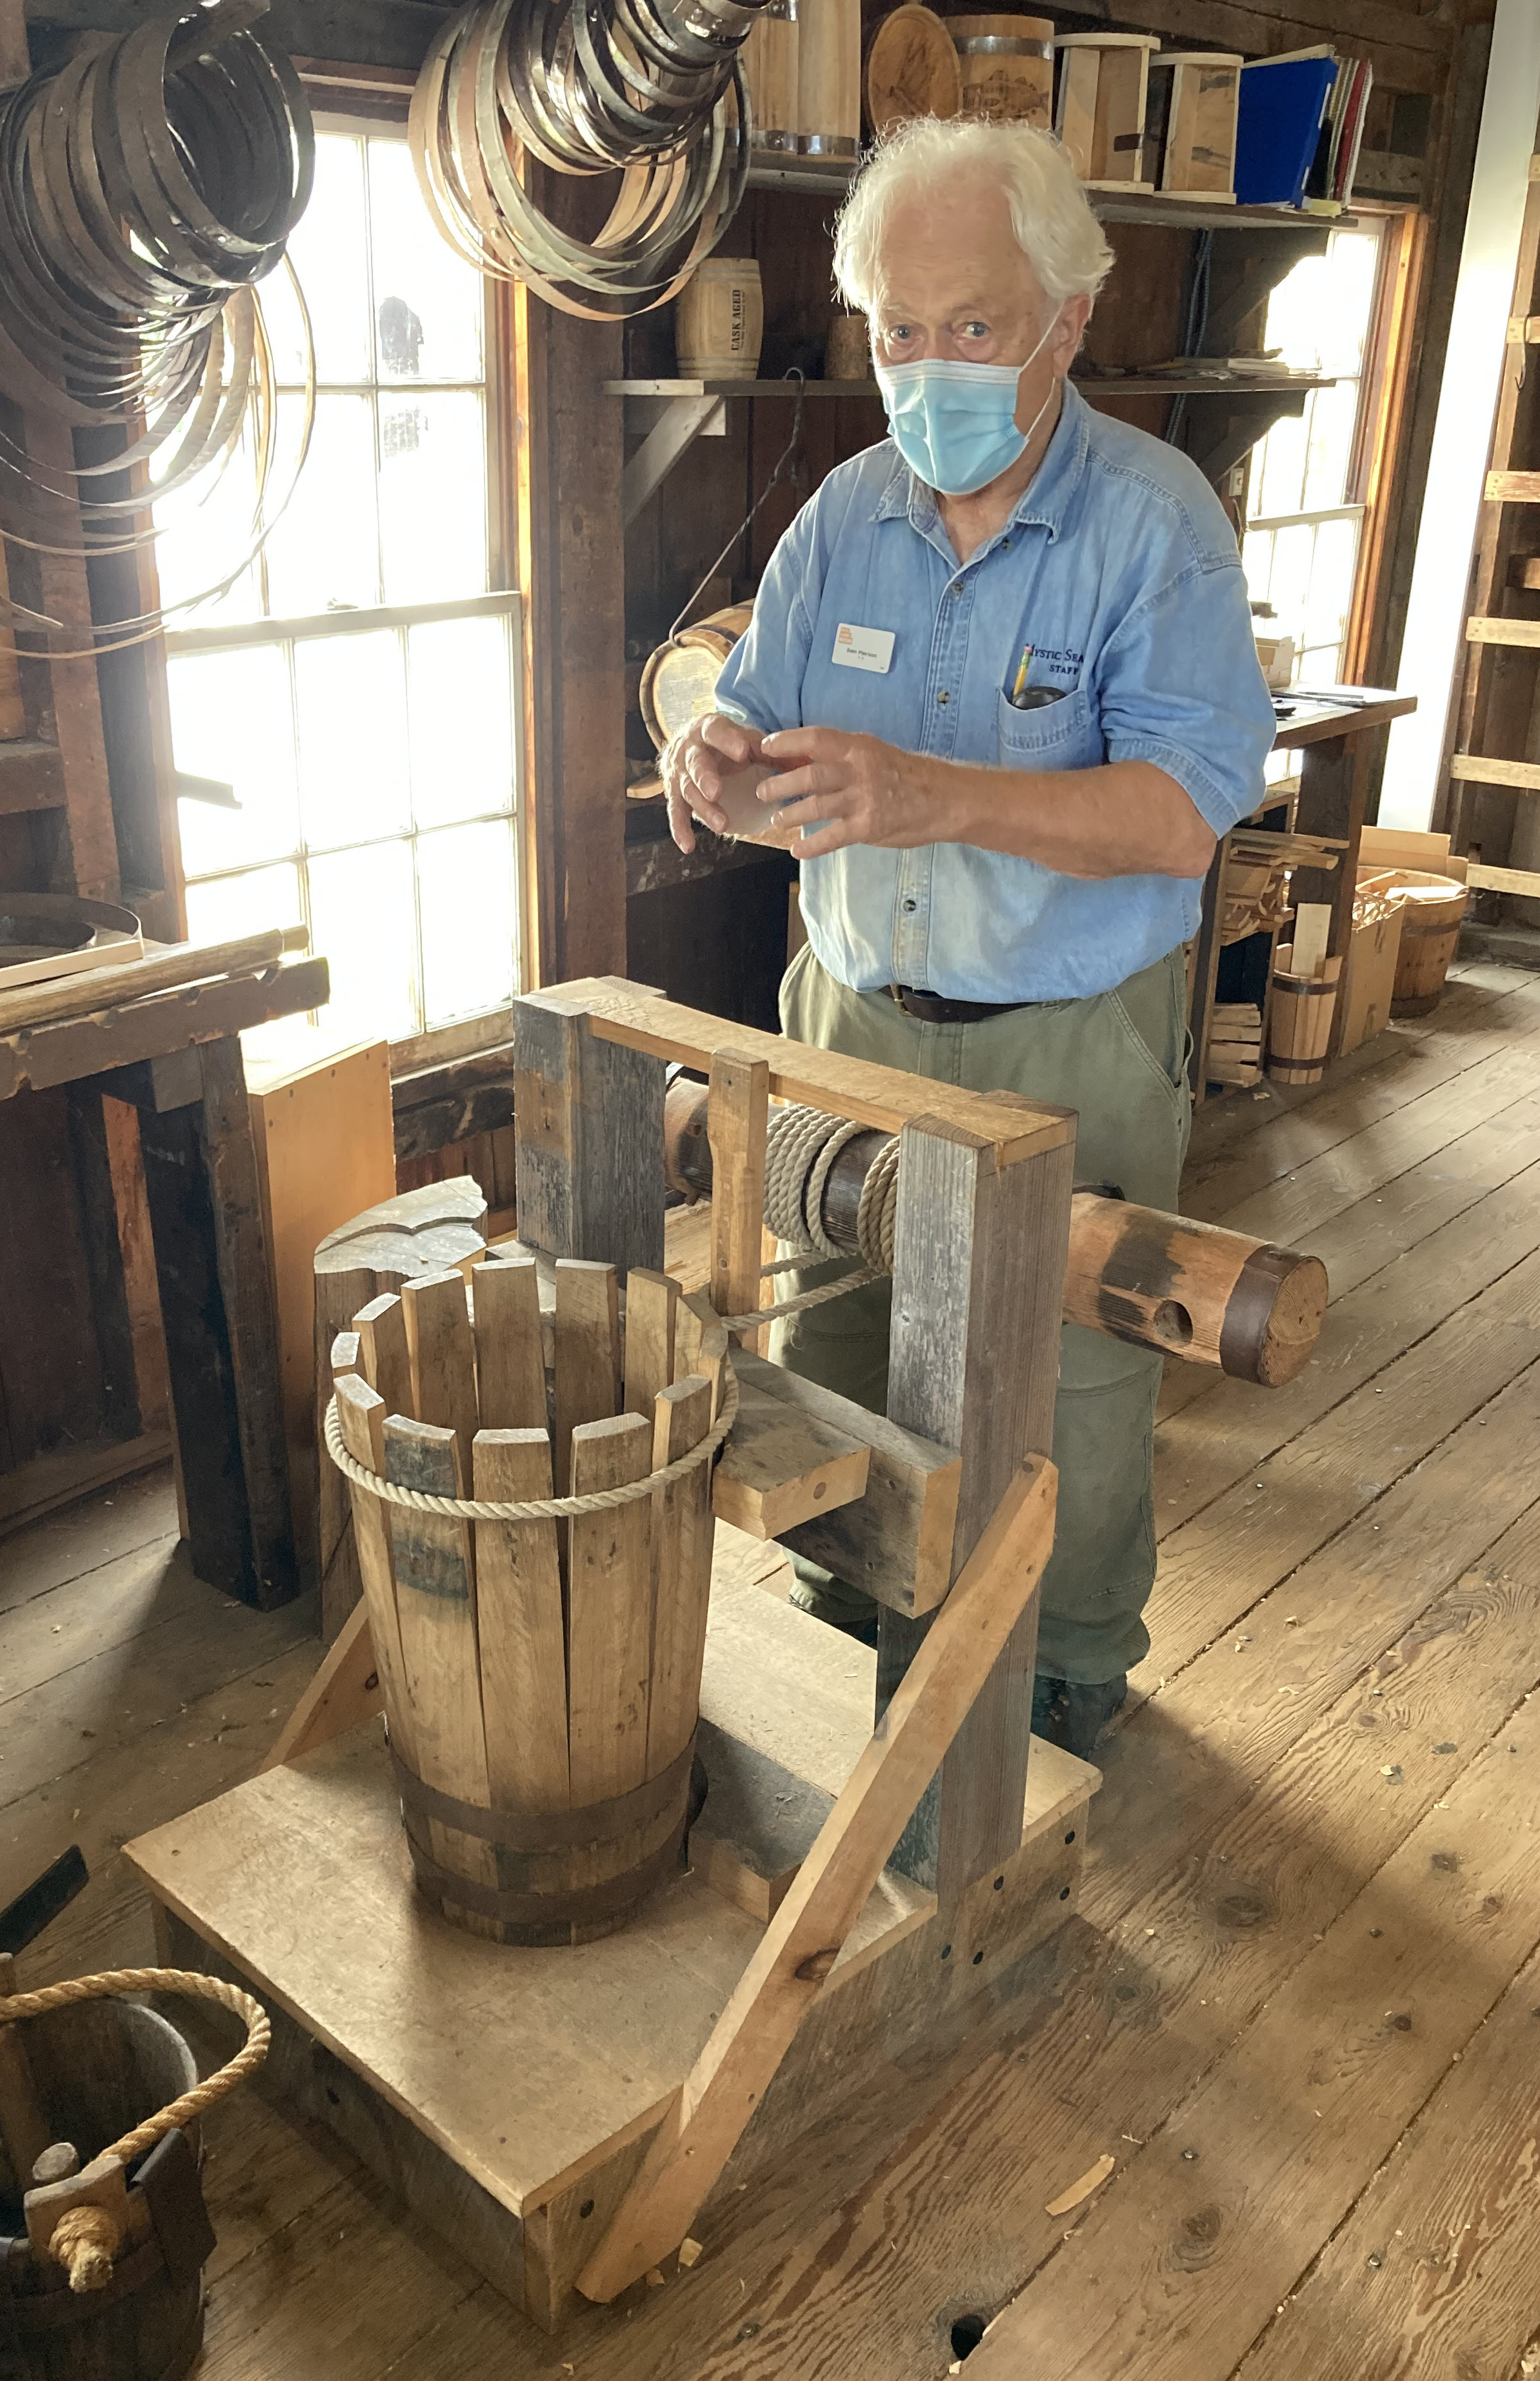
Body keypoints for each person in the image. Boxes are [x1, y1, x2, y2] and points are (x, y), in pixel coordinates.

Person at [661, 115, 1275, 1758]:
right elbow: (744, 707)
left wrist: (935, 795)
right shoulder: (845, 513)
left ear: (1067, 319)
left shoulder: (1154, 527)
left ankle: (1067, 1674)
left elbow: (1177, 815)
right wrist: (705, 758)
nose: (926, 367)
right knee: (837, 1329)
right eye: (895, 331)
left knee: (1072, 1370)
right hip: (850, 1017)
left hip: (1066, 1033)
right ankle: (849, 1609)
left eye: (972, 328)